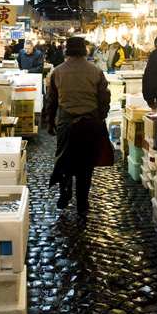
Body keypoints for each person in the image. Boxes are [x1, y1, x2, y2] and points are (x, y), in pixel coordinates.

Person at [45, 36, 112, 213]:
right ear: (85, 50)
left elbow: (51, 101)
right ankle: (82, 202)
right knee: (86, 163)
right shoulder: (96, 70)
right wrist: (101, 116)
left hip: (66, 123)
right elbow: (104, 97)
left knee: (64, 158)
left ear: (67, 50)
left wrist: (50, 122)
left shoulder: (58, 72)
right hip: (90, 122)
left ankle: (65, 192)